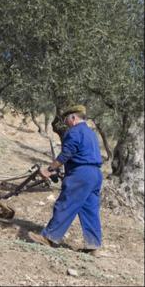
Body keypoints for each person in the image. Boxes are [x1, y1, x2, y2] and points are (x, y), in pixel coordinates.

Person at [28, 105, 103, 256]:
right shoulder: (91, 133)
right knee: (90, 210)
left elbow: (66, 154)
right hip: (95, 174)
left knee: (66, 204)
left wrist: (49, 170)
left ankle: (49, 237)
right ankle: (93, 245)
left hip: (81, 174)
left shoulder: (74, 131)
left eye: (67, 119)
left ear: (73, 118)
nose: (66, 123)